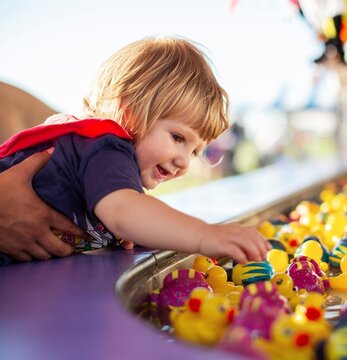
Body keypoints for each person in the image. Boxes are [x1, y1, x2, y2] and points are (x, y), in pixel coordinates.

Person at [0, 35, 270, 265]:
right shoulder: (105, 147)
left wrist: (138, 225)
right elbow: (122, 212)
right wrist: (205, 235)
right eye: (177, 137)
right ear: (129, 113)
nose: (184, 162)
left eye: (195, 151)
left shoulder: (105, 161)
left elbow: (123, 212)